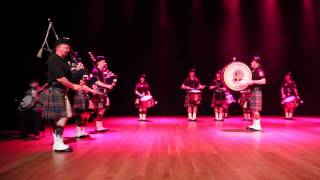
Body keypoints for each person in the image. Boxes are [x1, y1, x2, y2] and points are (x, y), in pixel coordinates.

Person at [42, 38, 83, 152]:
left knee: (63, 116)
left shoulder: (63, 61)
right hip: (56, 89)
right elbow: (60, 78)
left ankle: (58, 142)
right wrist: (74, 86)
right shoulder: (53, 59)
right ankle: (58, 143)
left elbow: (69, 77)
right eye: (66, 47)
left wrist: (78, 71)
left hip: (61, 91)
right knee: (62, 117)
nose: (68, 50)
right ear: (58, 47)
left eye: (68, 48)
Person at [90, 56, 116, 132]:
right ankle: (97, 126)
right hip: (98, 92)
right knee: (97, 109)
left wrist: (109, 85)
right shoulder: (95, 70)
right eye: (103, 62)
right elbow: (96, 82)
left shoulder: (101, 71)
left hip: (102, 92)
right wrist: (107, 86)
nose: (105, 63)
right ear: (99, 62)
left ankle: (99, 125)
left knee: (102, 109)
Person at [245, 56, 266, 131]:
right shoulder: (253, 71)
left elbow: (263, 81)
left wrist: (252, 82)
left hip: (257, 90)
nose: (251, 63)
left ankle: (258, 126)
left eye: (253, 62)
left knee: (256, 109)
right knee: (253, 109)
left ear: (257, 63)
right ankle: (254, 124)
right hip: (253, 91)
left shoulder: (259, 70)